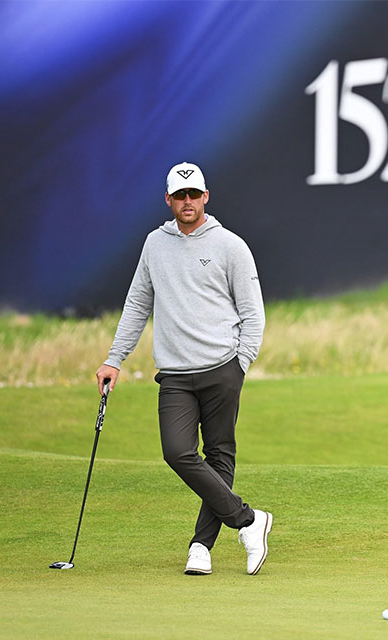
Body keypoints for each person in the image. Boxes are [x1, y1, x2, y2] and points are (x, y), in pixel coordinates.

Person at [95, 161, 271, 576]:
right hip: (175, 374)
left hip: (222, 367)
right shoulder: (155, 244)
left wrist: (241, 363)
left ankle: (201, 547)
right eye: (179, 195)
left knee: (219, 455)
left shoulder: (230, 245)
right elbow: (138, 303)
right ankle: (249, 520)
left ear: (205, 196)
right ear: (168, 200)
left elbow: (253, 313)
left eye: (194, 194)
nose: (187, 201)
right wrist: (114, 358)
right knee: (176, 452)